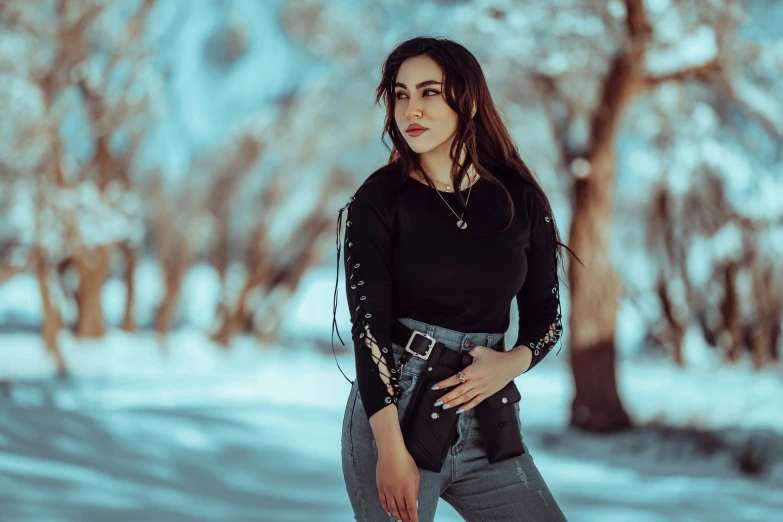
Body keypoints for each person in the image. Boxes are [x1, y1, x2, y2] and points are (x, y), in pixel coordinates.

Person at [331, 36, 580, 522]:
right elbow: (369, 332)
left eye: (429, 92)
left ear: (466, 100)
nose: (411, 110)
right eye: (401, 94)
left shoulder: (520, 200)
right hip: (394, 416)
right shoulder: (379, 200)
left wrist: (512, 363)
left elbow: (546, 320)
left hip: (488, 423)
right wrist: (389, 449)